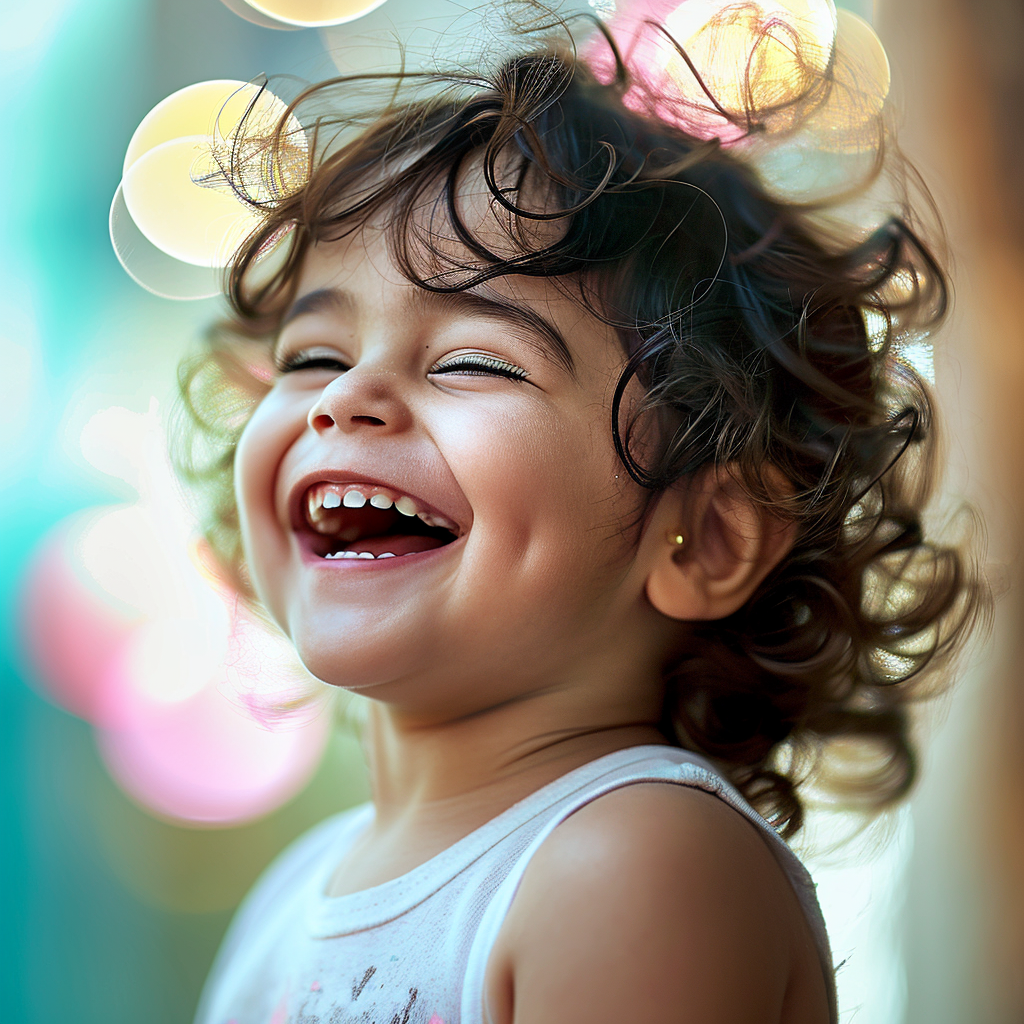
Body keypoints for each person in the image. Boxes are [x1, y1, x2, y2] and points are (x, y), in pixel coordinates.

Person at [177, 14, 985, 1024]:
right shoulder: (296, 894)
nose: (346, 398)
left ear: (709, 535)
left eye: (473, 360)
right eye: (313, 357)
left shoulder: (638, 860)